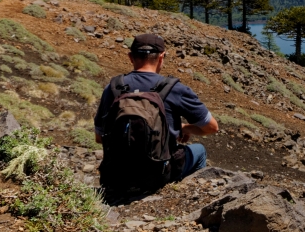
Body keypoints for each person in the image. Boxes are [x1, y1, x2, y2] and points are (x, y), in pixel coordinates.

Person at [93, 33, 219, 186]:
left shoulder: (113, 87)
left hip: (117, 173)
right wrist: (185, 129)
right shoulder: (175, 89)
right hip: (158, 174)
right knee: (200, 150)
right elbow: (212, 127)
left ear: (130, 57)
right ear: (161, 57)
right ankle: (185, 190)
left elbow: (99, 138)